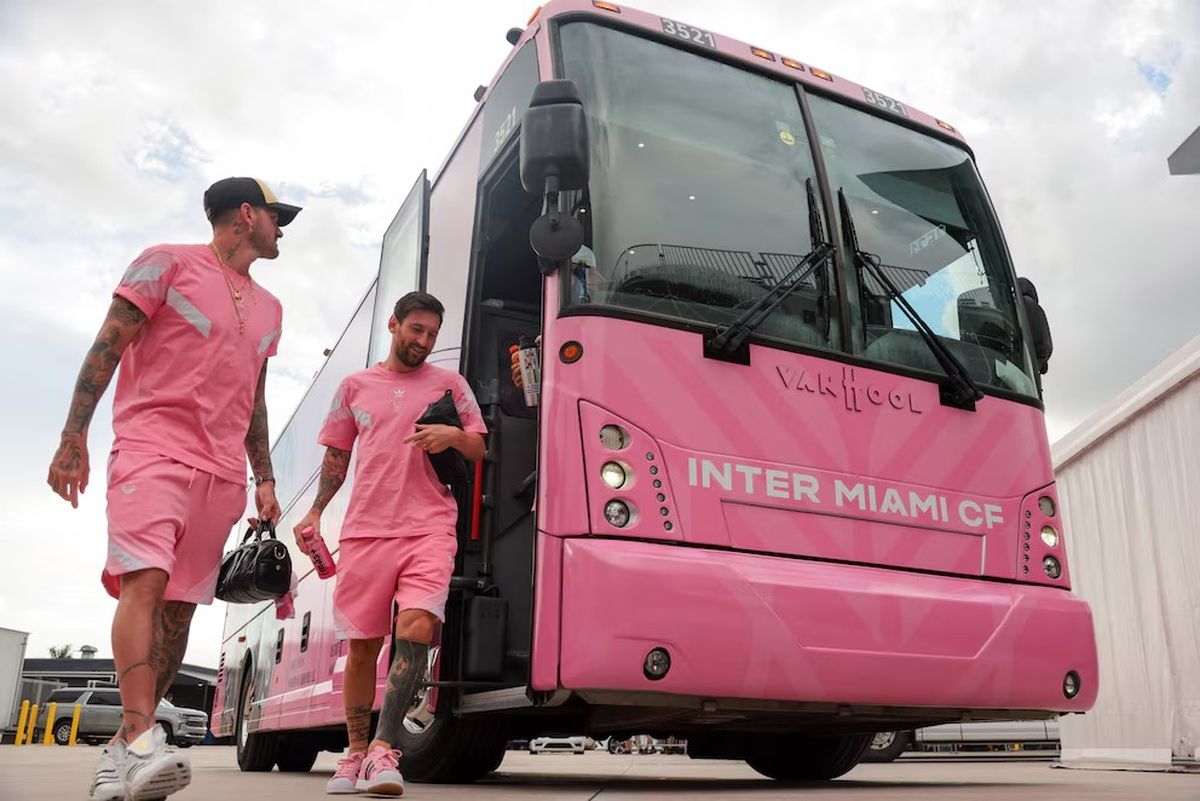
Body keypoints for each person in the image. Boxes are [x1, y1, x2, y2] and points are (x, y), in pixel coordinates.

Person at [47, 177, 300, 801]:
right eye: (275, 216)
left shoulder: (271, 308)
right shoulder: (166, 263)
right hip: (151, 448)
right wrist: (73, 435)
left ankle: (118, 757)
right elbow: (108, 345)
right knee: (147, 580)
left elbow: (256, 396)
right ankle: (139, 740)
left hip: (220, 473)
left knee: (181, 609)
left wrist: (263, 476)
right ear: (246, 215)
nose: (281, 228)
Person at [294, 291, 487, 797]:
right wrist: (315, 512)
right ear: (394, 324)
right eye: (416, 330)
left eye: (431, 334)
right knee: (362, 647)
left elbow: (479, 443)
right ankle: (355, 753)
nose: (423, 341)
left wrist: (451, 438)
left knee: (418, 626)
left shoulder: (450, 384)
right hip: (365, 530)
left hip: (429, 525)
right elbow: (336, 457)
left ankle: (383, 748)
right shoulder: (355, 386)